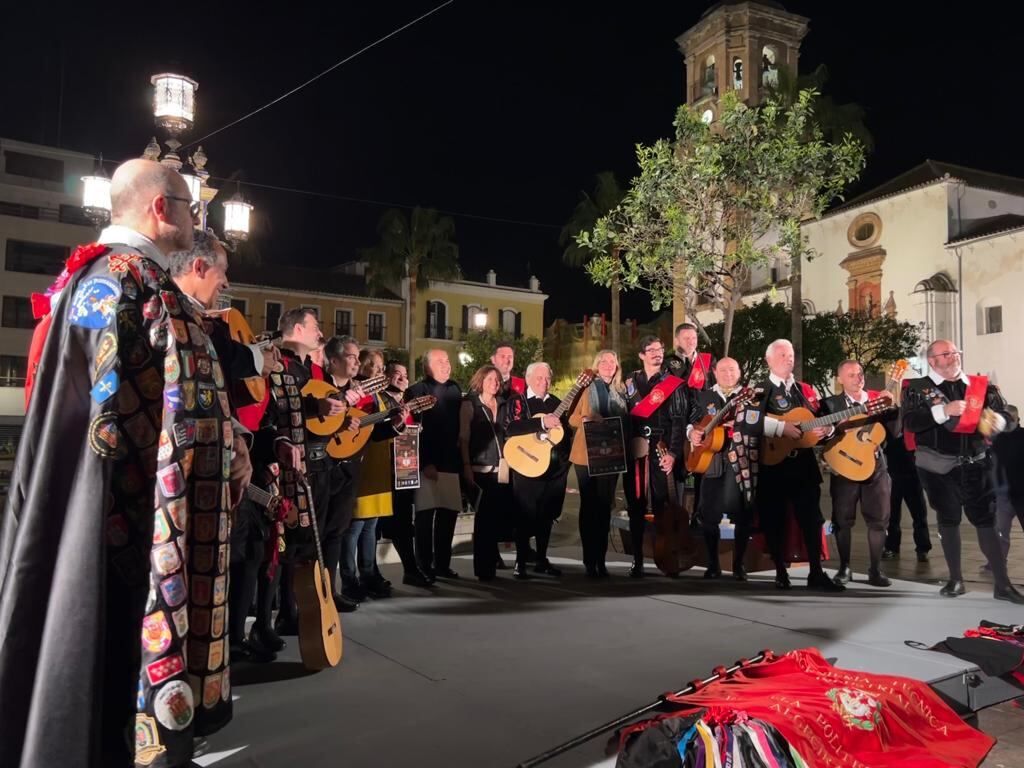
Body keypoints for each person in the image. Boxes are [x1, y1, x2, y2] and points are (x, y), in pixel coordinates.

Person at [0, 159, 246, 767]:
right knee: (113, 680)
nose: (198, 218)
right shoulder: (130, 285)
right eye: (191, 205)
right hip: (128, 525)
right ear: (161, 208)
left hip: (97, 514)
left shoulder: (96, 280)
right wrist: (224, 446)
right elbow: (140, 418)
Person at [167, 229, 285, 662]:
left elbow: (210, 385)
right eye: (223, 272)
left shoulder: (194, 317)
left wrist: (237, 438)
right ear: (198, 267)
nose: (226, 284)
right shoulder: (173, 315)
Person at [902, 339, 1023, 602]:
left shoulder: (980, 386)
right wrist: (943, 410)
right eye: (946, 353)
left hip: (977, 464)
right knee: (949, 520)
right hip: (937, 466)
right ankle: (955, 580)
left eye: (955, 352)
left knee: (986, 521)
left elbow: (1009, 413)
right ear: (932, 361)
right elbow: (910, 422)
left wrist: (997, 420)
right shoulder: (919, 388)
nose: (954, 356)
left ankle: (1002, 585)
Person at [264, 311, 354, 632]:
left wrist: (340, 418)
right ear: (299, 329)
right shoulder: (278, 365)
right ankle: (283, 613)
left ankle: (300, 607)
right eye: (316, 326)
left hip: (318, 463)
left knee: (308, 542)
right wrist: (317, 408)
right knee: (289, 542)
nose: (321, 332)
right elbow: (277, 410)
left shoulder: (306, 370)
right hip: (291, 467)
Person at [755, 339, 843, 591]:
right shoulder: (760, 390)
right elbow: (750, 421)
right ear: (769, 360)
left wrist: (828, 430)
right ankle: (780, 571)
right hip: (773, 465)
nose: (788, 358)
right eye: (782, 354)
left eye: (791, 354)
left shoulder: (805, 390)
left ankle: (816, 571)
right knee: (775, 519)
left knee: (812, 519)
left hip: (803, 465)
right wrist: (782, 427)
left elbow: (820, 420)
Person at [820, 360, 897, 587]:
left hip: (876, 467)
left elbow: (896, 433)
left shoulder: (878, 400)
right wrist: (837, 428)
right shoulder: (830, 405)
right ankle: (844, 568)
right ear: (840, 379)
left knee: (879, 520)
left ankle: (875, 569)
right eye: (851, 375)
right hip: (844, 467)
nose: (858, 378)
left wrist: (892, 408)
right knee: (842, 520)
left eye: (860, 374)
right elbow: (820, 435)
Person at [623, 336, 688, 578]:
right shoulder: (630, 380)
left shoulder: (674, 384)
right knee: (636, 505)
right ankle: (638, 560)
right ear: (641, 355)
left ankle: (668, 556)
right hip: (636, 449)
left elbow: (680, 423)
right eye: (650, 350)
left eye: (659, 350)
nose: (656, 354)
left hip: (662, 447)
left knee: (664, 505)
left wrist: (673, 453)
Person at [505, 362, 572, 578]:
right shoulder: (518, 401)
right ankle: (521, 561)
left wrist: (565, 463)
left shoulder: (557, 403)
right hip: (527, 466)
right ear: (528, 379)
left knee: (547, 515)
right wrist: (542, 422)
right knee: (523, 515)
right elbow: (511, 427)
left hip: (553, 470)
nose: (544, 382)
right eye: (539, 378)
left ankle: (542, 558)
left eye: (547, 379)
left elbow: (567, 435)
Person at [687, 357, 751, 580]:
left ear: (740, 372)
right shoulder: (704, 396)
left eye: (732, 369)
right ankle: (713, 564)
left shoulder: (749, 396)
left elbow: (761, 422)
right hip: (711, 461)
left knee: (742, 513)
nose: (728, 374)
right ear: (714, 372)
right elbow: (692, 422)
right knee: (709, 514)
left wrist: (741, 425)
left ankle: (738, 564)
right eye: (723, 370)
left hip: (740, 460)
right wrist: (692, 434)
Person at [568, 349, 627, 578]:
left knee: (604, 508)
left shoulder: (621, 391)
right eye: (604, 361)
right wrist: (586, 419)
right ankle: (588, 559)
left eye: (613, 362)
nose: (608, 365)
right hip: (585, 455)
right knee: (589, 507)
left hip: (611, 455)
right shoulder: (585, 386)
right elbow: (571, 418)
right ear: (596, 364)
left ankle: (600, 560)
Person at [406, 349, 464, 579]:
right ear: (426, 367)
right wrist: (425, 461)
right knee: (424, 518)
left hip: (450, 463)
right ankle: (424, 565)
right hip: (426, 465)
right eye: (440, 361)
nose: (446, 365)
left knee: (448, 517)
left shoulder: (455, 389)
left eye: (447, 360)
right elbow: (413, 432)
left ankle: (442, 564)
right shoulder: (416, 391)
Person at [379, 361, 434, 587]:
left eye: (405, 374)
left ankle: (411, 569)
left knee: (404, 521)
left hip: (407, 466)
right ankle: (409, 569)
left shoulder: (406, 402)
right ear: (387, 376)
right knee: (394, 523)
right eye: (397, 374)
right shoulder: (383, 400)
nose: (403, 378)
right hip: (388, 468)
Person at [459, 365, 512, 580]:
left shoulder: (504, 404)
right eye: (490, 379)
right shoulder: (470, 404)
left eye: (497, 379)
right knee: (483, 522)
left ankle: (492, 563)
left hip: (503, 469)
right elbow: (463, 438)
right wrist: (466, 467)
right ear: (481, 380)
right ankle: (483, 569)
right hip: (479, 469)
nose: (495, 383)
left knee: (496, 519)